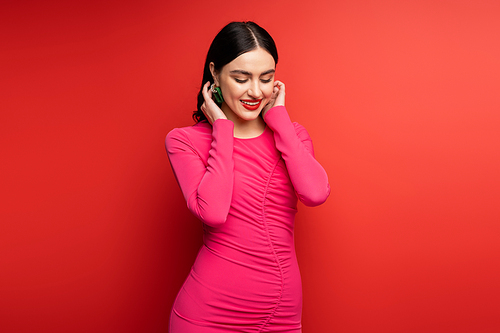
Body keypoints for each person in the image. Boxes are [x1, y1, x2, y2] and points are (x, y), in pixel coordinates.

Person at [165, 21, 330, 333]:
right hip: (208, 316)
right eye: (241, 78)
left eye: (266, 79)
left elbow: (316, 193)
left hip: (282, 316)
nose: (256, 91)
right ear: (214, 73)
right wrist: (222, 129)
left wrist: (279, 119)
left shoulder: (291, 136)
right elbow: (213, 212)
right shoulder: (184, 141)